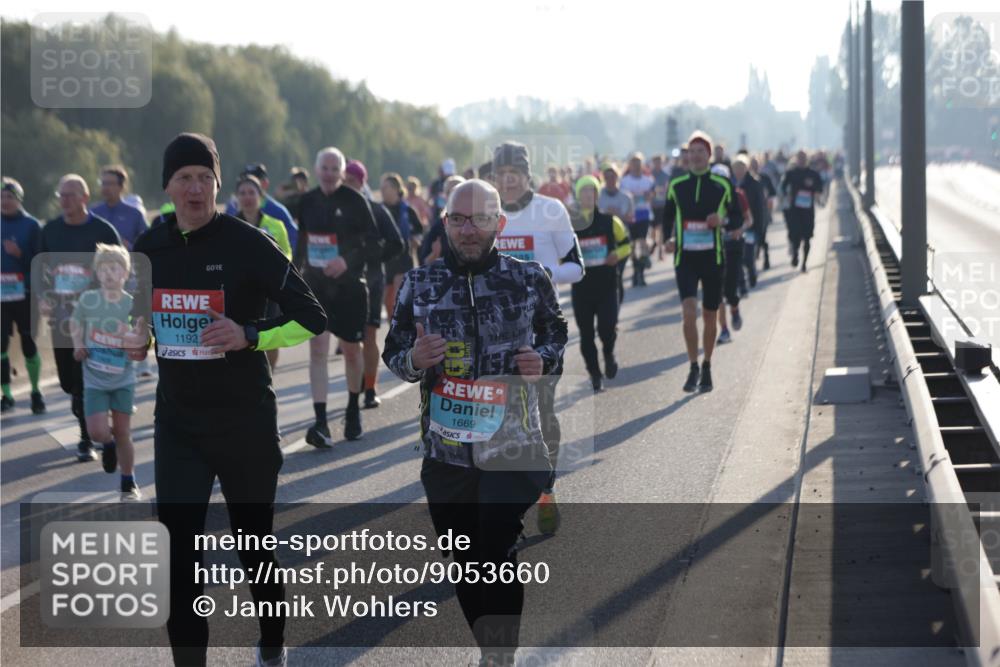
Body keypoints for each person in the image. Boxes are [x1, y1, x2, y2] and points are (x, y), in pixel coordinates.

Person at [131, 132, 327, 667]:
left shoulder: (249, 243)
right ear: (168, 186)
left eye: (204, 178)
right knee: (179, 560)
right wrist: (135, 340)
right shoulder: (147, 248)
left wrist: (250, 334)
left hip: (245, 424)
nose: (195, 189)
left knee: (253, 547)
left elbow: (312, 317)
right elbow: (137, 321)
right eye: (184, 179)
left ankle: (272, 643)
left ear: (218, 184)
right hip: (179, 427)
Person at [383, 179, 567, 667]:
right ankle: (490, 650)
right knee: (466, 561)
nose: (469, 230)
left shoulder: (528, 278)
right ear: (445, 223)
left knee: (496, 550)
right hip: (447, 454)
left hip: (512, 446)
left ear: (499, 223)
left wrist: (543, 359)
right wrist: (414, 359)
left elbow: (555, 329)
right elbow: (393, 349)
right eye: (460, 219)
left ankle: (500, 656)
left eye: (481, 219)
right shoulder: (419, 284)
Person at [493, 140, 582, 536]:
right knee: (498, 418)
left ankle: (547, 492)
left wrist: (542, 271)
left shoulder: (551, 210)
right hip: (496, 332)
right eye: (501, 173)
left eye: (514, 173)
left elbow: (577, 267)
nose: (508, 180)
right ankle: (506, 506)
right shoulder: (487, 212)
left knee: (542, 412)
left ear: (527, 175)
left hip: (543, 330)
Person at [290, 147, 382, 445]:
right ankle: (320, 422)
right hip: (317, 286)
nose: (329, 174)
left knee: (352, 351)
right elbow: (302, 242)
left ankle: (353, 409)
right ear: (316, 170)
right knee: (317, 350)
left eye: (334, 169)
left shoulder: (355, 201)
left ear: (342, 172)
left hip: (350, 287)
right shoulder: (307, 201)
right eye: (324, 168)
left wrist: (347, 261)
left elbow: (374, 244)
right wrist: (295, 275)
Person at [39, 174, 122, 461]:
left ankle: (87, 438)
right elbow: (39, 270)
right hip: (61, 317)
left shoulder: (104, 231)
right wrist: (43, 297)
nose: (64, 200)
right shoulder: (50, 231)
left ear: (85, 198)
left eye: (70, 195)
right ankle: (97, 422)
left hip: (95, 318)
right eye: (61, 195)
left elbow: (121, 270)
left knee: (83, 380)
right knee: (68, 382)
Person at [661, 132, 743, 392]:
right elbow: (667, 217)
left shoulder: (722, 184)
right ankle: (693, 365)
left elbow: (737, 217)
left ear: (709, 155)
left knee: (709, 315)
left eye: (701, 151)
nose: (695, 156)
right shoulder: (677, 185)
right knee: (688, 312)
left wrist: (722, 221)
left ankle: (707, 364)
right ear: (687, 156)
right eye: (692, 151)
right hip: (685, 258)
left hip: (713, 258)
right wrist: (667, 240)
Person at [69, 244, 142, 499]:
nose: (109, 274)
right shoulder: (89, 299)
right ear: (97, 273)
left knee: (123, 432)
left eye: (115, 269)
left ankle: (128, 481)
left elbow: (142, 337)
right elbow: (75, 322)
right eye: (104, 269)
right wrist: (78, 344)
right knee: (97, 432)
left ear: (125, 273)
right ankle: (107, 445)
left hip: (123, 378)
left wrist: (130, 336)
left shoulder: (131, 303)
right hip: (95, 379)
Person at [343, 160, 404, 409]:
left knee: (369, 336)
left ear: (361, 182)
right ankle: (355, 388)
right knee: (349, 341)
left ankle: (370, 389)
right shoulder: (335, 210)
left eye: (351, 181)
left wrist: (374, 259)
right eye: (344, 181)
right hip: (343, 284)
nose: (347, 185)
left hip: (372, 282)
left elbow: (397, 243)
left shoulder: (376, 210)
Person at [570, 176, 630, 391]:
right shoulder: (570, 224)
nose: (588, 195)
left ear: (597, 195)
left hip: (607, 285)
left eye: (592, 191)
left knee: (607, 328)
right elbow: (560, 251)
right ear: (578, 196)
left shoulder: (610, 221)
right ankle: (595, 374)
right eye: (584, 191)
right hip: (582, 287)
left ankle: (608, 353)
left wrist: (617, 254)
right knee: (586, 334)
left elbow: (627, 245)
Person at [235, 174, 293, 370]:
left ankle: (269, 374)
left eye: (251, 192)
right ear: (237, 197)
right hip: (239, 291)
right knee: (242, 336)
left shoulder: (276, 225)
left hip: (269, 292)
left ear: (260, 196)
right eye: (242, 193)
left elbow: (287, 254)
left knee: (270, 337)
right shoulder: (229, 225)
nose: (247, 197)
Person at [1, 178, 45, 414]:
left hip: (26, 294)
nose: (5, 201)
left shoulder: (31, 225)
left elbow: (40, 262)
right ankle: (6, 394)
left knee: (29, 344)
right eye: (1, 197)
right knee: (1, 345)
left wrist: (20, 254)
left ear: (19, 200)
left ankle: (36, 392)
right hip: (1, 297)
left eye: (10, 197)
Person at [712, 163, 750, 345]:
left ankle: (734, 308)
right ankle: (724, 329)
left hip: (733, 246)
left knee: (730, 290)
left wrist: (739, 230)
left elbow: (749, 220)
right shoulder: (706, 198)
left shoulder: (738, 195)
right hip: (714, 248)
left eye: (723, 180)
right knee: (717, 292)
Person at [380, 173, 423, 329]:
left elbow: (419, 230)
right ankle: (394, 330)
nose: (382, 190)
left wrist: (416, 239)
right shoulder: (379, 210)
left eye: (385, 187)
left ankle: (403, 330)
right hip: (385, 263)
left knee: (400, 298)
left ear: (395, 189)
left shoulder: (408, 210)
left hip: (403, 261)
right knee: (388, 303)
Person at [224, 162, 298, 249]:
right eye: (245, 178)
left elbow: (292, 242)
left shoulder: (278, 211)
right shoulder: (232, 209)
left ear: (265, 183)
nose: (249, 182)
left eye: (255, 179)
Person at [781, 149, 825, 272]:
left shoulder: (813, 174)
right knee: (795, 235)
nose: (802, 160)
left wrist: (815, 190)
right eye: (800, 158)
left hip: (808, 210)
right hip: (795, 209)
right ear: (796, 159)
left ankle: (804, 263)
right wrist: (787, 195)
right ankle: (795, 254)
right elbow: (783, 187)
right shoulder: (791, 173)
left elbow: (820, 187)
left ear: (807, 159)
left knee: (807, 237)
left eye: (804, 158)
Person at [597, 163, 634, 307]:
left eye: (613, 176)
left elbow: (631, 218)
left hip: (621, 240)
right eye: (607, 177)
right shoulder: (597, 196)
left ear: (617, 177)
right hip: (603, 241)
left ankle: (616, 307)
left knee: (617, 275)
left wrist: (617, 214)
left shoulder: (626, 196)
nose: (610, 179)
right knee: (605, 276)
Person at [90, 165, 148, 250]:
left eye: (110, 184)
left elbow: (146, 246)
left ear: (121, 186)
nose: (106, 188)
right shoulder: (93, 213)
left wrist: (125, 246)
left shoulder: (135, 214)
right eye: (103, 183)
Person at [619, 153, 656, 286]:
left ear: (642, 164)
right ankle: (637, 271)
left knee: (642, 240)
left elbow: (653, 194)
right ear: (630, 165)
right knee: (633, 244)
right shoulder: (625, 181)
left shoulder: (648, 180)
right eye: (634, 163)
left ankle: (642, 267)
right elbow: (622, 198)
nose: (636, 165)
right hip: (630, 214)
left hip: (644, 213)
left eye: (638, 163)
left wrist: (649, 195)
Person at [733, 155, 766, 289]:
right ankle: (742, 283)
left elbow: (760, 208)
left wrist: (760, 228)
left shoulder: (755, 183)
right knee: (738, 256)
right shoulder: (731, 184)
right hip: (736, 226)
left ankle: (752, 273)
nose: (738, 171)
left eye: (741, 168)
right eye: (736, 168)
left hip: (751, 226)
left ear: (746, 168)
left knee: (748, 254)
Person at [418, 175, 465, 266]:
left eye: (458, 191)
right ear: (445, 196)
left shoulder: (479, 223)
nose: (454, 196)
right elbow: (424, 263)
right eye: (449, 192)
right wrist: (434, 255)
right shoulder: (438, 227)